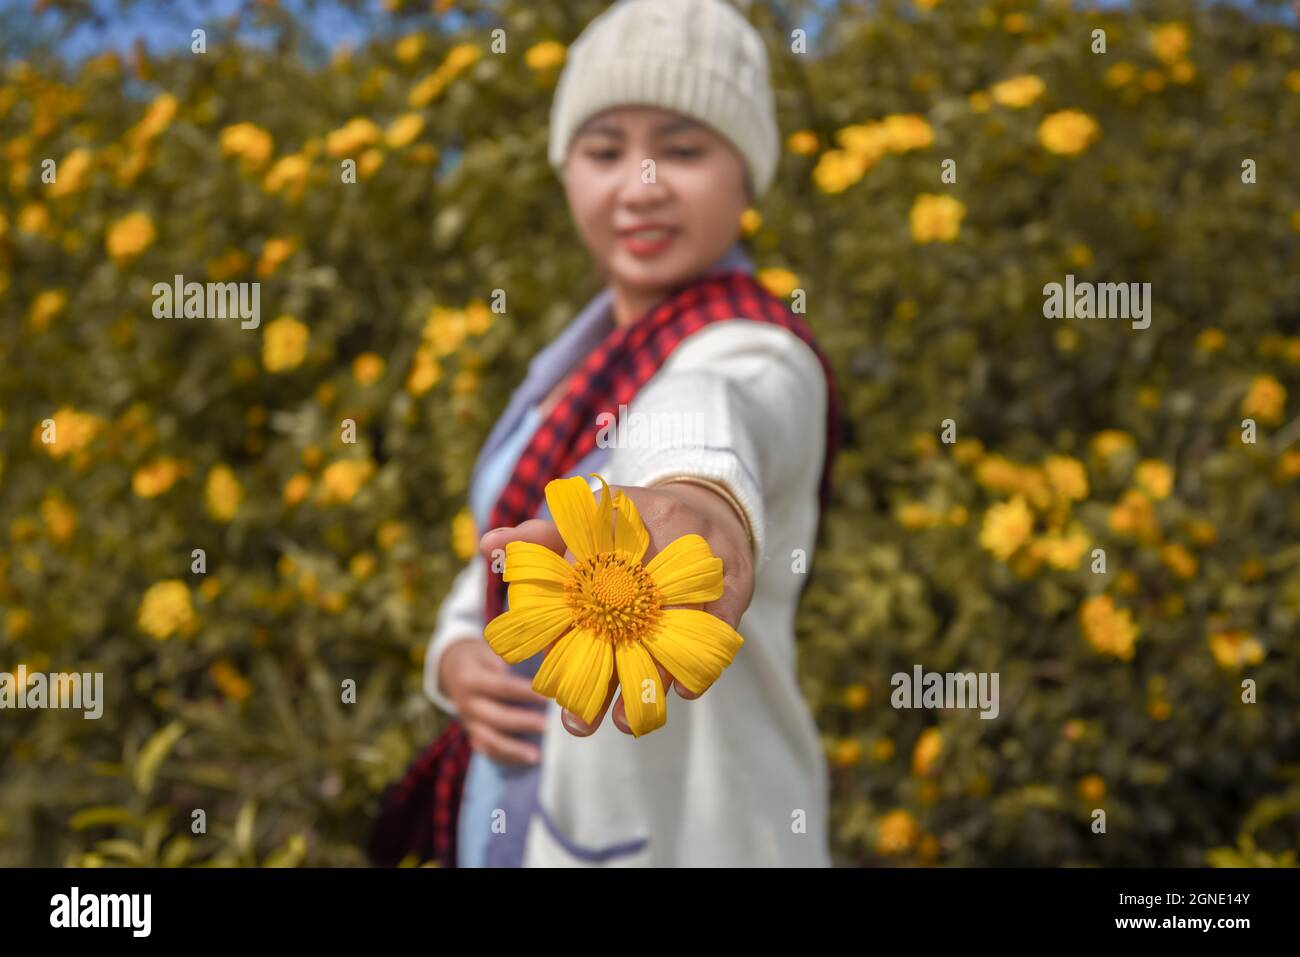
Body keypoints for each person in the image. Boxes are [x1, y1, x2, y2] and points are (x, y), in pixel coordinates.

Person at [423, 0, 840, 867]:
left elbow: (710, 401)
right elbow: (505, 548)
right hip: (527, 812)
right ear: (566, 168)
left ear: (745, 174)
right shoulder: (561, 373)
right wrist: (459, 649)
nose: (641, 184)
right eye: (604, 149)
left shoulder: (759, 347)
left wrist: (695, 493)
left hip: (698, 830)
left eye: (684, 150)